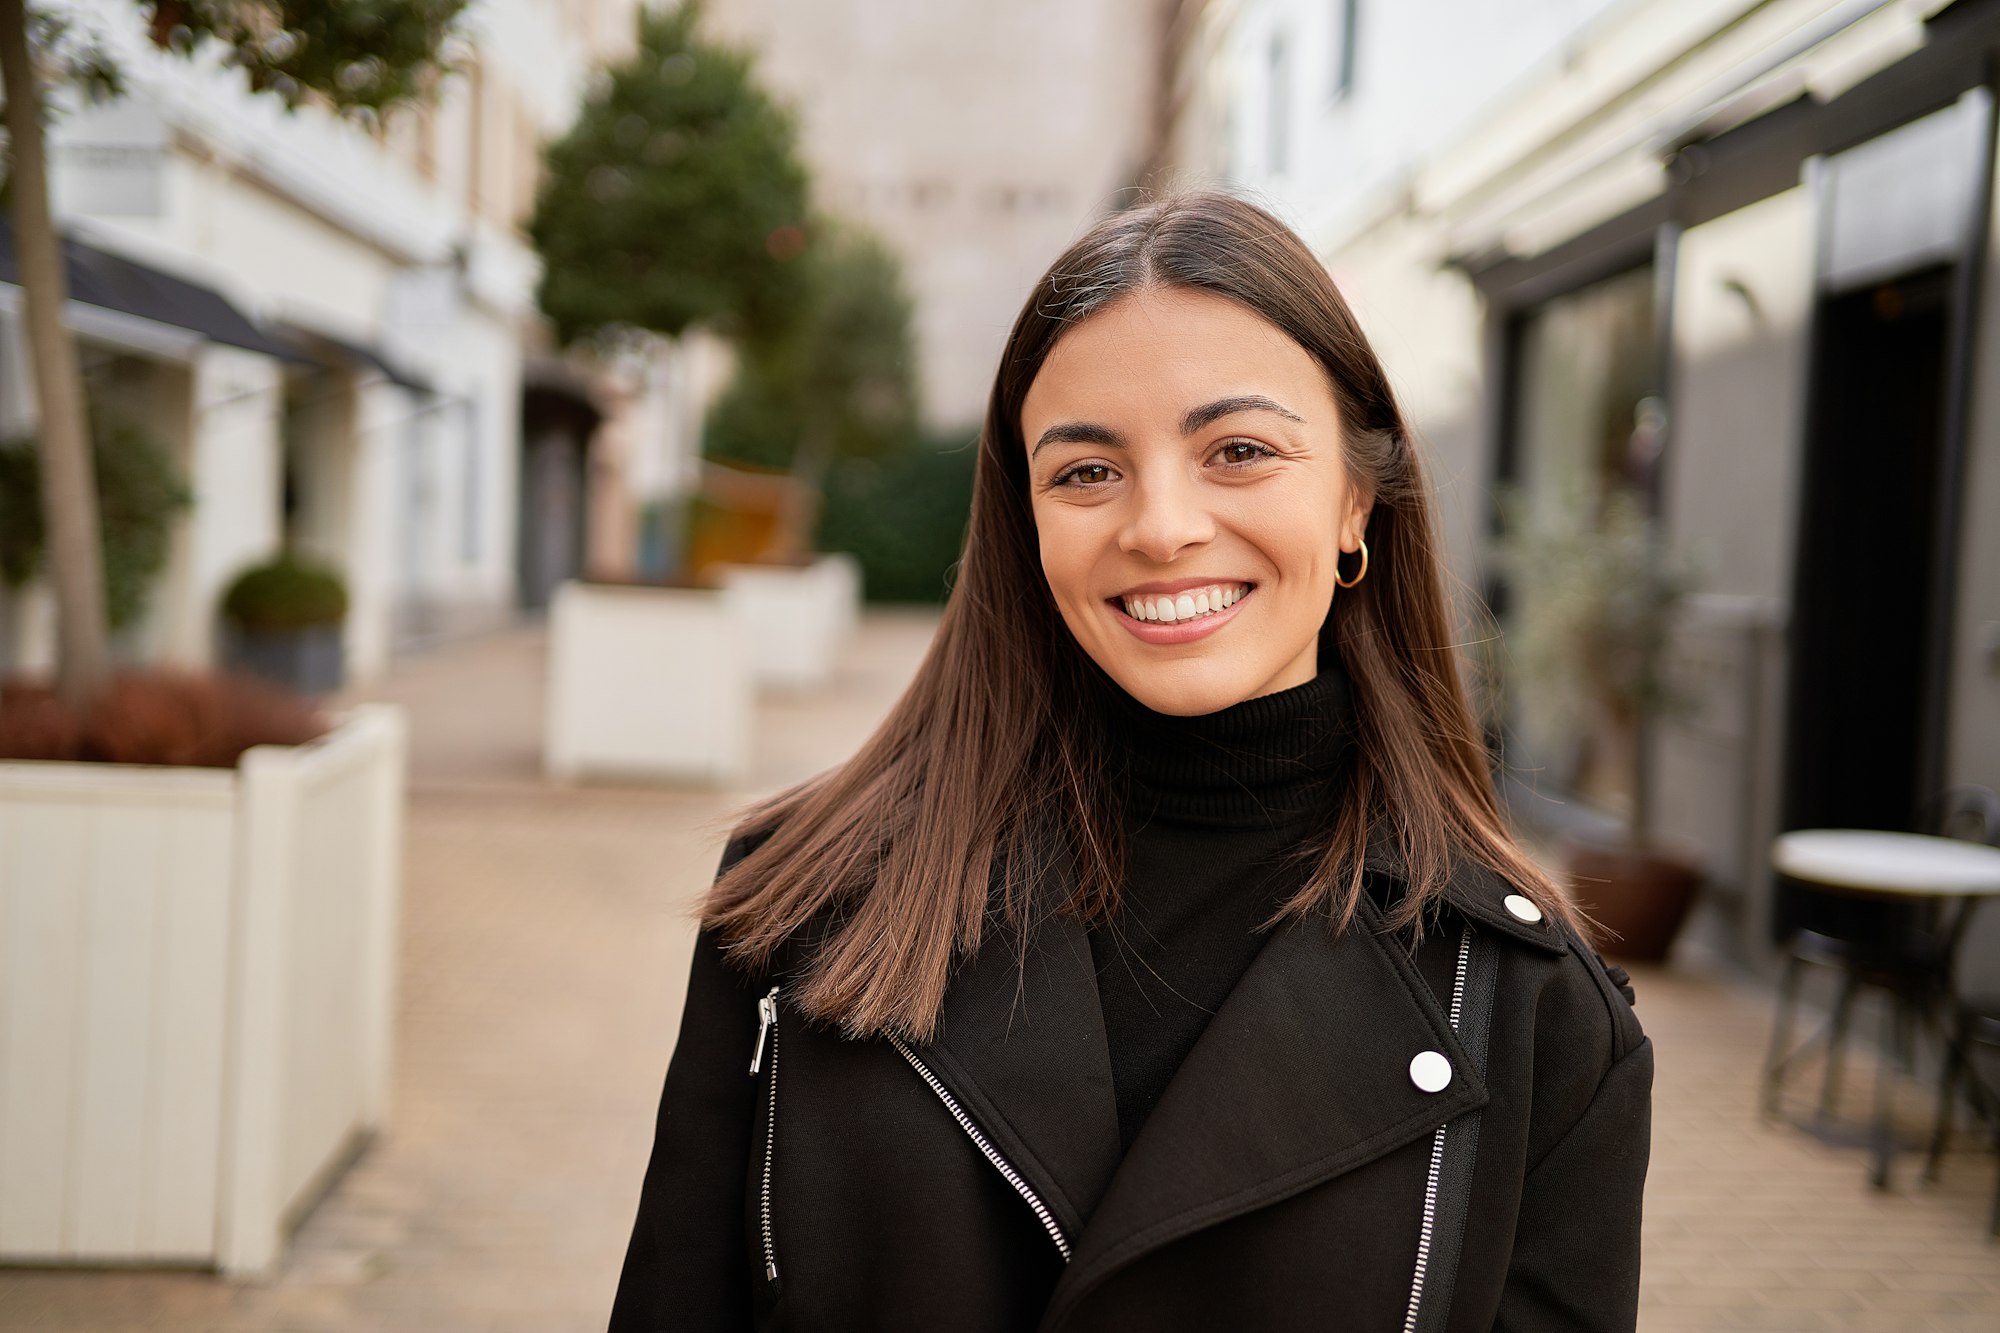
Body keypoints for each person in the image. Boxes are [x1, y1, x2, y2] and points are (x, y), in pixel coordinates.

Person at [608, 191, 1651, 1332]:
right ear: (1027, 519)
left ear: (1355, 498)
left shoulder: (1534, 1007)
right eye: (1085, 471)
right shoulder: (798, 903)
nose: (1159, 526)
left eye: (1238, 451)